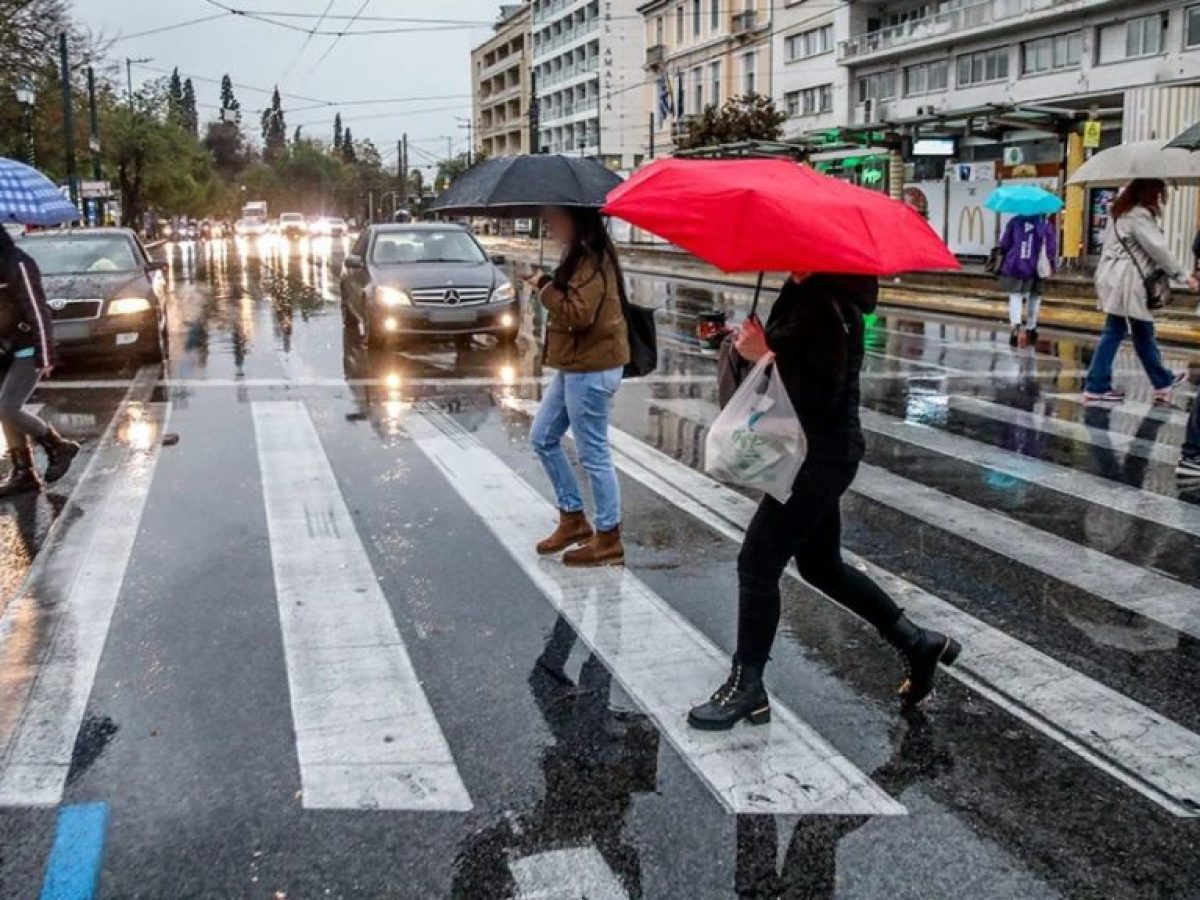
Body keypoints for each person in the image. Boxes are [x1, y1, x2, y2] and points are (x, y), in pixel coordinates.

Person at [688, 274, 961, 730]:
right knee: (820, 565)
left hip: (818, 459)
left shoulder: (824, 305)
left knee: (757, 563)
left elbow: (818, 397)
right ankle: (918, 644)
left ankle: (747, 687)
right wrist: (749, 345)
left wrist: (765, 357)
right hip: (815, 454)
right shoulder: (807, 293)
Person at [523, 206, 630, 568]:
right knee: (542, 437)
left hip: (593, 368)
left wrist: (544, 288)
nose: (549, 225)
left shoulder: (592, 259)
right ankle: (572, 518)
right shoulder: (580, 255)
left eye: (554, 218)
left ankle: (608, 536)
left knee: (593, 454)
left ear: (575, 219)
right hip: (575, 365)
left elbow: (577, 313)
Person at [1083, 179, 1197, 404]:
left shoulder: (1121, 213)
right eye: (1158, 194)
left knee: (1141, 330)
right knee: (1115, 330)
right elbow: (1158, 250)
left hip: (1115, 277)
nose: (1160, 199)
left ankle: (1162, 381)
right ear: (1149, 194)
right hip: (1128, 280)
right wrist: (1183, 276)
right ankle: (1096, 386)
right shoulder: (1138, 216)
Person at [0, 226, 78, 496]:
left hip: (25, 349)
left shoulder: (18, 264)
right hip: (3, 350)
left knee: (7, 407)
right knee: (5, 411)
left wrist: (45, 354)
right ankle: (24, 473)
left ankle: (57, 445)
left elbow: (38, 310)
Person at [998, 213, 1056, 346]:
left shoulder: (1015, 221)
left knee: (1015, 295)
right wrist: (1051, 265)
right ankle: (1031, 327)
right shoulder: (1045, 225)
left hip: (1015, 265)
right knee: (1035, 296)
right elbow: (1051, 248)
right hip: (1037, 268)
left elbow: (1005, 244)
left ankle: (1015, 327)